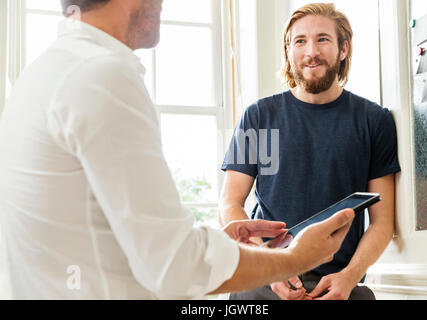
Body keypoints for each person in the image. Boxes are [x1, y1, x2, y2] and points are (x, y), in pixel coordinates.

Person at [0, 0, 355, 299]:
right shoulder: (101, 76)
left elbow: (111, 237)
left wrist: (217, 243)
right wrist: (296, 258)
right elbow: (175, 266)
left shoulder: (44, 74)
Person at [219, 3, 401, 300]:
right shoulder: (260, 117)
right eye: (299, 41)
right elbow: (229, 204)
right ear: (288, 52)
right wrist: (269, 267)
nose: (310, 51)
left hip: (339, 284)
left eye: (322, 39)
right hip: (264, 279)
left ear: (343, 49)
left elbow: (382, 223)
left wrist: (348, 278)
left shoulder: (373, 121)